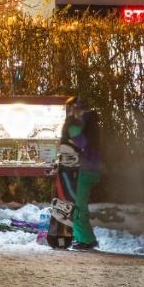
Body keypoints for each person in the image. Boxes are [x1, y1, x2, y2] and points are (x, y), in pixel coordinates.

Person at [62, 102, 102, 251]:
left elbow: (82, 143)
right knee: (80, 205)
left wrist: (70, 128)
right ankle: (83, 238)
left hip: (85, 170)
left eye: (73, 110)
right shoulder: (92, 122)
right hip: (90, 169)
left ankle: (86, 239)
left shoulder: (86, 122)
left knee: (78, 206)